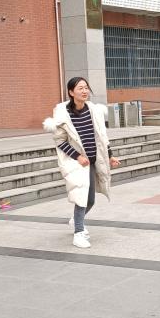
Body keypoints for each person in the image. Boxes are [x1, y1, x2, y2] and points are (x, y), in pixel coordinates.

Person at [43, 77, 120, 249]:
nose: (84, 91)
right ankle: (78, 233)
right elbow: (60, 141)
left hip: (92, 161)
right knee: (81, 197)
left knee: (90, 200)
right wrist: (78, 156)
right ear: (71, 92)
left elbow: (102, 137)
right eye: (80, 88)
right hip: (76, 163)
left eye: (86, 88)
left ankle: (77, 220)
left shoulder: (93, 110)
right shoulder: (63, 114)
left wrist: (110, 156)